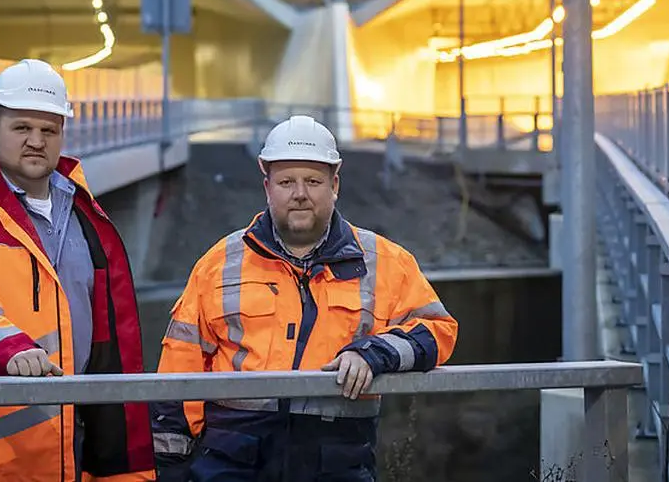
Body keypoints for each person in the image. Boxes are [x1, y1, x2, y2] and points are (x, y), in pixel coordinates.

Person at [151, 115, 459, 481]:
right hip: (231, 463)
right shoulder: (219, 263)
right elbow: (178, 369)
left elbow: (437, 330)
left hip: (336, 461)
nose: (300, 193)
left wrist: (373, 354)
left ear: (335, 185)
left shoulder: (385, 263)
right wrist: (171, 467)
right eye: (286, 182)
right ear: (268, 188)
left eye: (313, 181)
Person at [0, 58, 155, 481]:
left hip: (71, 447)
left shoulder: (84, 214)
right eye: (21, 128)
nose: (36, 141)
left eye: (49, 130)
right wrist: (9, 349)